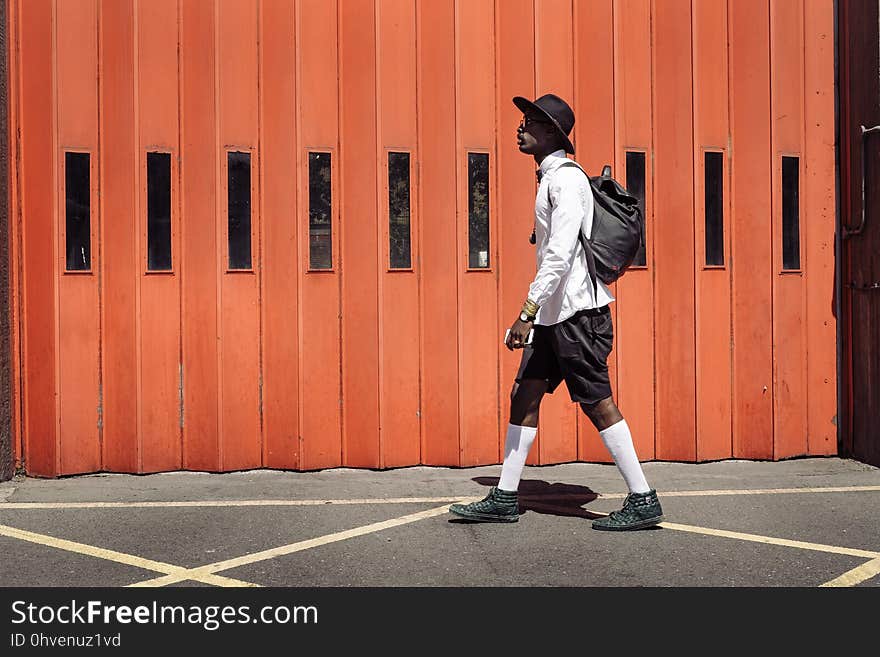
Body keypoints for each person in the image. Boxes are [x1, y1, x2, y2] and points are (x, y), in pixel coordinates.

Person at [449, 93, 664, 530]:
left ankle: (643, 498)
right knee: (524, 394)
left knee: (598, 402)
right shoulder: (550, 179)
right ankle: (505, 496)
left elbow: (560, 255)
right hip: (555, 314)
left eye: (529, 121)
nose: (520, 127)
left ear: (552, 133)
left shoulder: (565, 181)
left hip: (577, 315)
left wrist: (526, 310)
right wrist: (537, 312)